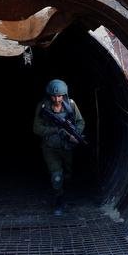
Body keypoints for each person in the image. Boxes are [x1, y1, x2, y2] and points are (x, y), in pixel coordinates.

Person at [33, 79, 85, 208]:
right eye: (54, 96)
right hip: (50, 148)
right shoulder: (43, 107)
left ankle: (63, 194)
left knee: (67, 175)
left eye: (60, 96)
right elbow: (36, 128)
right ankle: (58, 201)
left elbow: (80, 122)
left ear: (64, 95)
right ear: (49, 95)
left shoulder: (71, 105)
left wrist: (74, 134)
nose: (57, 99)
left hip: (66, 148)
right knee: (57, 176)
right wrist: (56, 130)